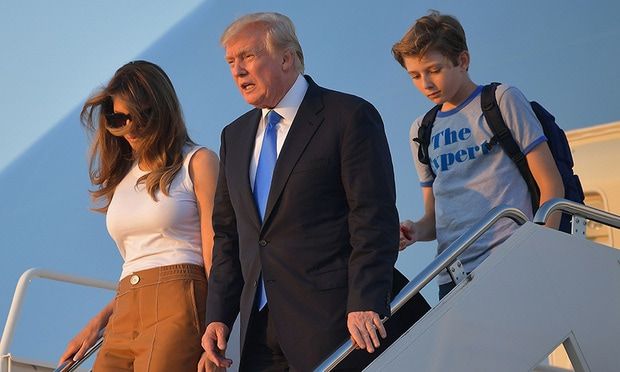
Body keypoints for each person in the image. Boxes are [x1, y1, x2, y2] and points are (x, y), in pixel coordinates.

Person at [201, 12, 400, 371]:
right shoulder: (234, 136)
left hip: (334, 321)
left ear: (286, 58)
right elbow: (229, 237)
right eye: (231, 62)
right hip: (259, 333)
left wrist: (366, 300)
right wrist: (219, 316)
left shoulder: (348, 116)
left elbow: (373, 216)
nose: (237, 71)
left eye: (247, 57)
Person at [57, 60, 219, 371]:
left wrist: (216, 328)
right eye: (118, 119)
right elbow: (138, 264)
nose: (128, 128)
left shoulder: (197, 162)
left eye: (138, 117)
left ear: (160, 111)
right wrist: (97, 323)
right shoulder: (123, 177)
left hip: (180, 301)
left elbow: (215, 253)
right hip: (125, 307)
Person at [392, 11, 564, 299]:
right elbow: (434, 219)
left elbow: (551, 186)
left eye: (434, 70)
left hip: (513, 258)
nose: (426, 84)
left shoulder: (501, 100)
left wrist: (540, 249)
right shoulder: (421, 129)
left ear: (463, 61)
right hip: (452, 274)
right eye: (415, 75)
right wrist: (415, 231)